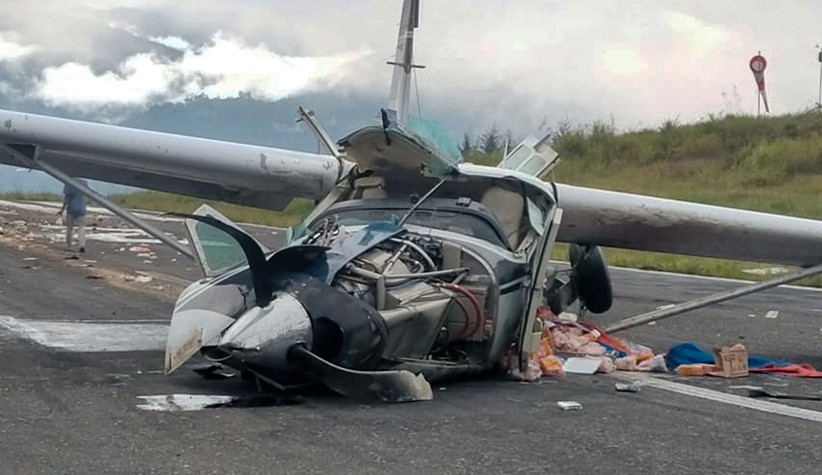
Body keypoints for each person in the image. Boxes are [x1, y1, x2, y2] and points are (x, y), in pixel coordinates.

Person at [57, 179, 88, 253]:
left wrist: (62, 210)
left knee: (69, 228)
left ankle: (69, 245)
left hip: (71, 208)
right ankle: (82, 245)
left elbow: (66, 199)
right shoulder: (84, 182)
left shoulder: (68, 182)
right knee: (81, 228)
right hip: (81, 208)